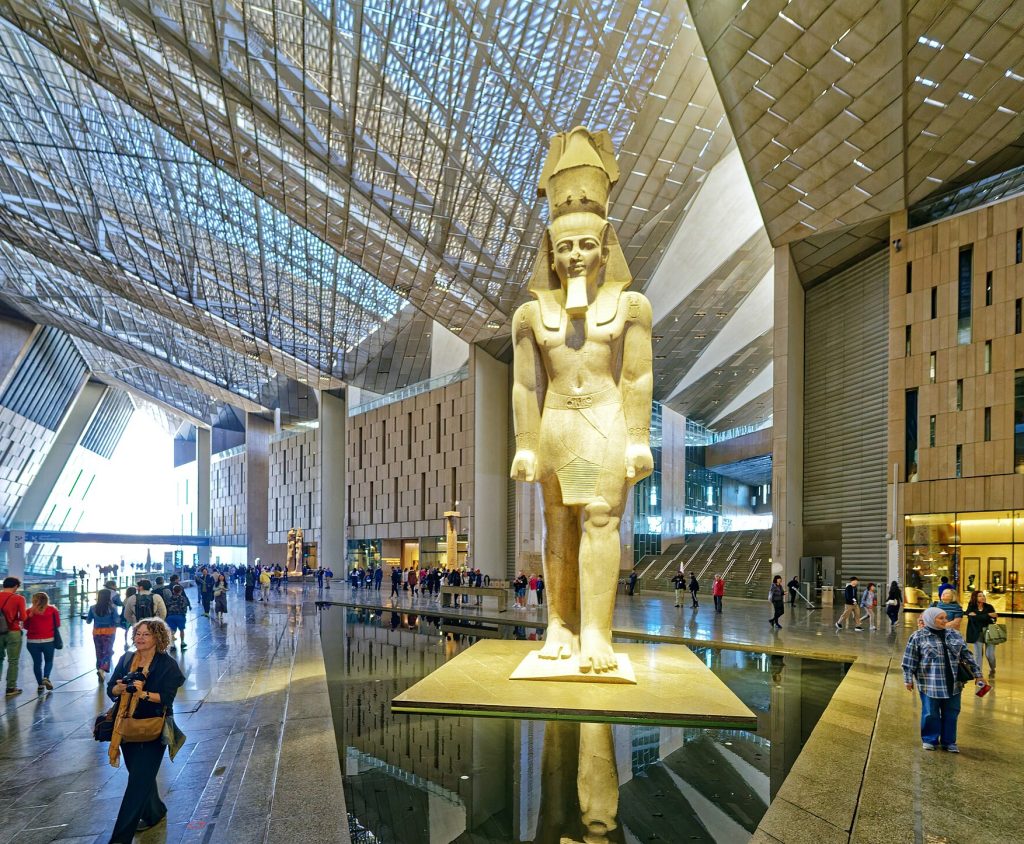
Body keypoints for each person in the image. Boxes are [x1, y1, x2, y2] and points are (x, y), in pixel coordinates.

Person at [509, 127, 653, 674]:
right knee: (558, 523)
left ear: (605, 247)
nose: (574, 256)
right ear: (550, 252)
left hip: (606, 418)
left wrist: (639, 439)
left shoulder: (631, 306)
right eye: (564, 247)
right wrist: (525, 445)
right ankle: (559, 624)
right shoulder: (529, 316)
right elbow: (526, 385)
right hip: (555, 426)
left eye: (586, 245)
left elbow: (637, 376)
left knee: (600, 519)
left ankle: (596, 631)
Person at [106, 619, 185, 841]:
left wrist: (142, 694)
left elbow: (167, 698)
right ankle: (154, 812)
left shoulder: (167, 665)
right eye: (138, 634)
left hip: (153, 729)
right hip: (126, 727)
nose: (140, 638)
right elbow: (110, 690)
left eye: (146, 634)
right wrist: (119, 688)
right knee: (140, 777)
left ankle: (119, 839)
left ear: (157, 638)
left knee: (136, 785)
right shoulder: (126, 659)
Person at [902, 607, 986, 752]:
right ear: (930, 619)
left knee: (952, 713)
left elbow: (967, 656)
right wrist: (908, 679)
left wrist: (978, 674)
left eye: (945, 617)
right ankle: (930, 739)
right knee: (930, 713)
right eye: (941, 618)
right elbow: (909, 660)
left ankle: (949, 741)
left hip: (954, 683)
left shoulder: (954, 634)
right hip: (930, 683)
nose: (945, 620)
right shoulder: (918, 636)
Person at [23, 591, 60, 694]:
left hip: (32, 642)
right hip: (48, 641)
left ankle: (40, 685)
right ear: (46, 599)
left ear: (33, 600)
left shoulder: (29, 611)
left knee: (37, 663)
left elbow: (25, 626)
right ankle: (46, 678)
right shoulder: (52, 610)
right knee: (48, 661)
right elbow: (57, 624)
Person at [0, 576, 26, 696]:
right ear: (15, 586)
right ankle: (10, 688)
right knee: (13, 661)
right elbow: (23, 617)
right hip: (13, 632)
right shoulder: (19, 598)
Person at [86, 588, 120, 681]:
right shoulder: (112, 608)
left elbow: (88, 621)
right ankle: (102, 669)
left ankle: (99, 668)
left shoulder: (93, 608)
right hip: (109, 632)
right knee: (107, 651)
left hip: (97, 632)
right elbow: (117, 621)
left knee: (98, 651)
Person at [964, 590, 997, 678]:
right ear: (975, 597)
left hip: (990, 632)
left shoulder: (989, 607)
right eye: (980, 596)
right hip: (977, 633)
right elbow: (973, 619)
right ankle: (979, 673)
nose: (982, 597)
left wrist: (978, 616)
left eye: (983, 596)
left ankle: (993, 668)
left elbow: (994, 618)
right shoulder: (971, 607)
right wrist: (988, 615)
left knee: (990, 654)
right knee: (978, 654)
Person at [164, 585, 191, 650]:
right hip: (180, 616)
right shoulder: (183, 598)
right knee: (181, 630)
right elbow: (184, 607)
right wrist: (184, 614)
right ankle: (182, 642)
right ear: (181, 591)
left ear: (173, 591)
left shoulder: (169, 598)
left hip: (170, 616)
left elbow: (166, 606)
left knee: (172, 631)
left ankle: (172, 644)